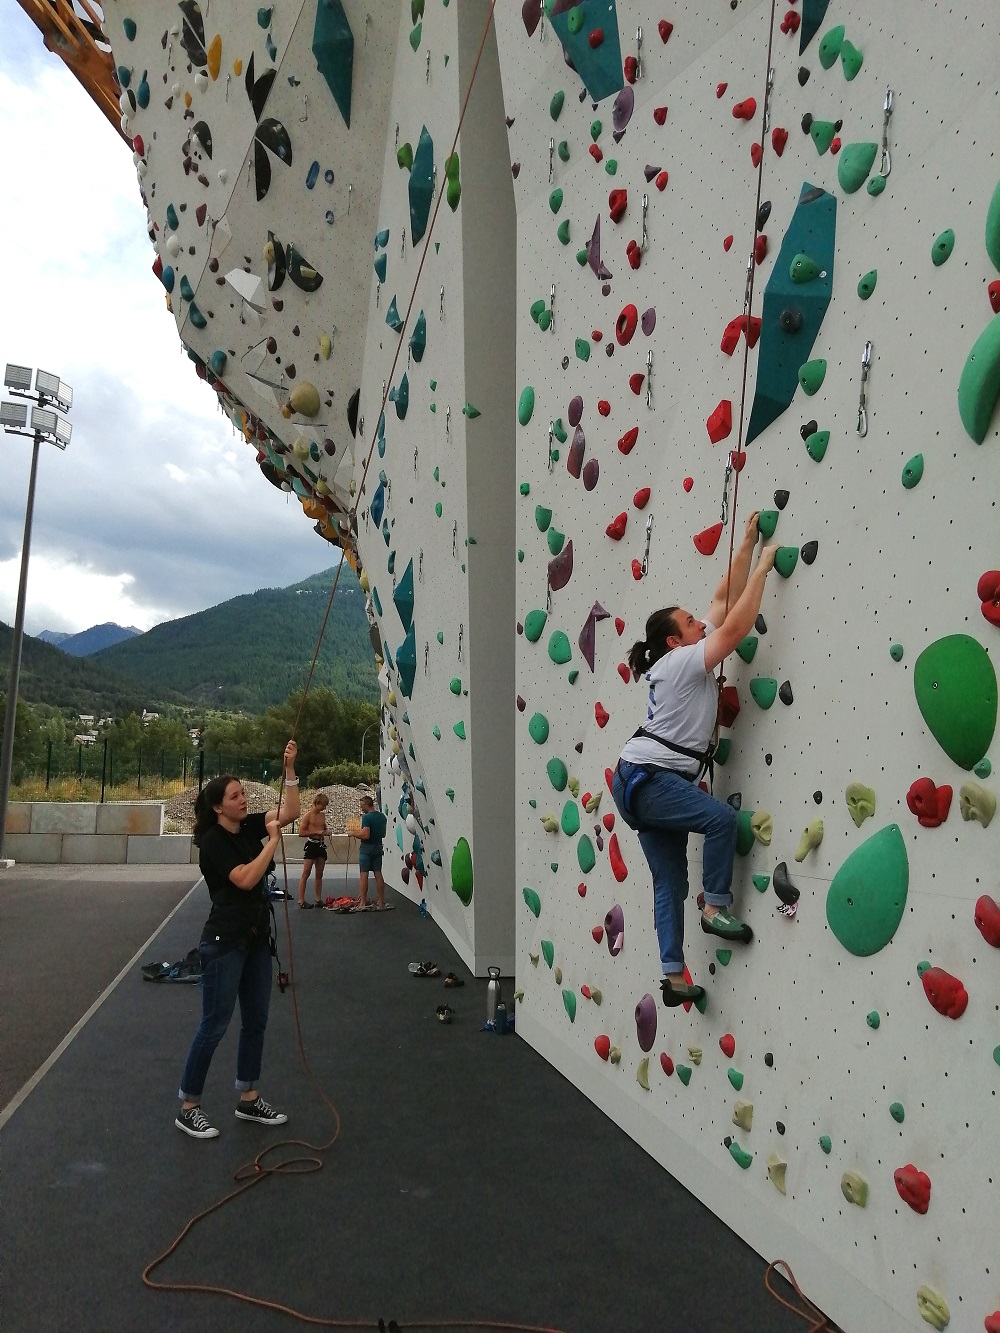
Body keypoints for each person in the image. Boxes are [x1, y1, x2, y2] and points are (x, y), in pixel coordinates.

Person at [611, 513, 777, 1010]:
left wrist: (746, 543)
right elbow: (736, 626)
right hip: (651, 779)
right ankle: (715, 907)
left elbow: (723, 601)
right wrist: (764, 569)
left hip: (637, 781)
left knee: (669, 881)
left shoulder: (677, 656)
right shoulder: (683, 661)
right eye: (689, 623)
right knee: (721, 820)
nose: (699, 623)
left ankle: (673, 974)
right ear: (674, 641)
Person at [174, 741, 300, 1140]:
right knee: (214, 1025)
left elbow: (291, 811)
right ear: (217, 807)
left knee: (256, 1021)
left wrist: (290, 770)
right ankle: (189, 1107)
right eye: (235, 796)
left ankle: (249, 1097)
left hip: (256, 940)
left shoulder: (247, 826)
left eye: (244, 793)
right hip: (224, 942)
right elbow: (245, 878)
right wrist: (272, 843)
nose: (244, 799)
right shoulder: (213, 842)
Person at [296, 792, 330, 909]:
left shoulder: (322, 815)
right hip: (311, 845)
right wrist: (316, 832)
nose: (324, 807)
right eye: (323, 805)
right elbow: (301, 832)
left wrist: (326, 832)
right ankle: (301, 900)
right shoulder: (308, 816)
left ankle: (318, 899)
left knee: (319, 874)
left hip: (320, 845)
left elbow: (324, 828)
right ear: (317, 803)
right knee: (306, 873)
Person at [355, 793, 388, 910]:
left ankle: (363, 902)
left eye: (361, 806)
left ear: (366, 804)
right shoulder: (382, 817)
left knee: (364, 874)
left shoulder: (366, 818)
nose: (361, 808)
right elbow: (383, 834)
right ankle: (380, 902)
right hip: (378, 848)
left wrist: (353, 833)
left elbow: (366, 835)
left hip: (366, 849)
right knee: (378, 873)